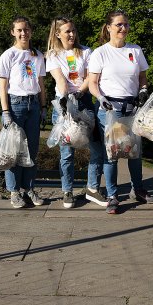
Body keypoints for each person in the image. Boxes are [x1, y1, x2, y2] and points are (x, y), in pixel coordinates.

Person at [88, 10, 153, 214]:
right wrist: (100, 98)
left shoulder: (135, 50)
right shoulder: (100, 53)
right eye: (119, 25)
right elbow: (93, 82)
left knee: (135, 153)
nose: (123, 28)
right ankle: (112, 195)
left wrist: (143, 90)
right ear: (109, 27)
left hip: (132, 107)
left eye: (126, 24)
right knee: (112, 154)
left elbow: (142, 77)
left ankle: (138, 190)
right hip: (110, 109)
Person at [46, 16, 104, 209]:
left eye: (73, 30)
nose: (71, 34)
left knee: (96, 148)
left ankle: (93, 188)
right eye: (67, 31)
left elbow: (90, 76)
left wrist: (80, 92)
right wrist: (65, 99)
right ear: (58, 34)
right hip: (64, 106)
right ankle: (67, 191)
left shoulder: (86, 51)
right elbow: (60, 79)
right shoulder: (53, 55)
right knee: (67, 153)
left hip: (85, 101)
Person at [0, 16, 47, 209]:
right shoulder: (8, 55)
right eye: (19, 30)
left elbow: (41, 83)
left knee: (31, 150)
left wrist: (43, 107)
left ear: (31, 31)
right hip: (15, 105)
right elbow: (3, 87)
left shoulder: (37, 55)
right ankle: (14, 191)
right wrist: (5, 111)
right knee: (13, 152)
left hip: (33, 104)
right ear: (13, 32)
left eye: (26, 29)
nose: (23, 33)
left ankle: (29, 188)